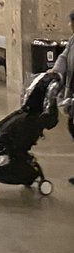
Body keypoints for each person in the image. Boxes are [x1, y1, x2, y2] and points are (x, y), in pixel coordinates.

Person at [51, 11, 74, 185]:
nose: (69, 25)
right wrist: (55, 71)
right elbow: (64, 57)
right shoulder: (73, 40)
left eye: (70, 22)